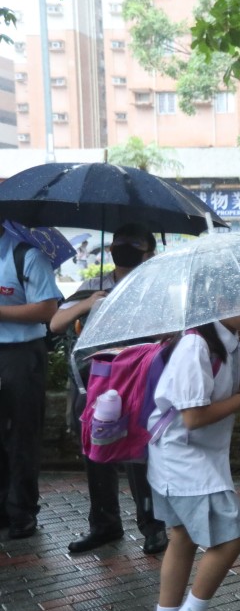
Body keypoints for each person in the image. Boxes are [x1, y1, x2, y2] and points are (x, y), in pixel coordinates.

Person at [144, 314, 240, 611]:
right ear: (222, 302)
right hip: (180, 457)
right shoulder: (196, 345)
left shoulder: (232, 340)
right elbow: (193, 417)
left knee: (181, 536)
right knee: (235, 532)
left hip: (195, 457)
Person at [51, 224, 169, 555]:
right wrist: (88, 303)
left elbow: (171, 334)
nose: (124, 247)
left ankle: (153, 526)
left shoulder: (157, 288)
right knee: (96, 450)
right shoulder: (95, 285)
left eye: (134, 242)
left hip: (139, 381)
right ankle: (104, 525)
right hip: (97, 381)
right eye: (119, 242)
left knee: (139, 455)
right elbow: (56, 323)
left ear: (150, 252)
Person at [0, 221, 62, 539]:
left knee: (22, 434)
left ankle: (22, 511)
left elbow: (47, 309)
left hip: (22, 355)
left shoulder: (26, 255)